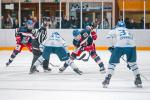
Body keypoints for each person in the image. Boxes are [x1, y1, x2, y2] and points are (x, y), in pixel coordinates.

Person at [102, 21, 142, 88]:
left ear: (117, 25)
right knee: (133, 63)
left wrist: (112, 46)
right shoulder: (127, 30)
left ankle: (107, 79)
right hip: (132, 46)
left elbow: (108, 37)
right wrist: (130, 62)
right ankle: (138, 78)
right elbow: (133, 39)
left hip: (120, 46)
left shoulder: (115, 29)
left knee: (112, 63)